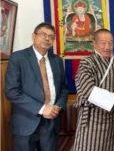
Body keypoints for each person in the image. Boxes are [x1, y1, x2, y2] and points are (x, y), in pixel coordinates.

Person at [5, 22, 69, 151]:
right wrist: (41, 109)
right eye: (43, 34)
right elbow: (11, 91)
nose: (47, 38)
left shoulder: (57, 60)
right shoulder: (18, 58)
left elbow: (63, 88)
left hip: (51, 121)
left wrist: (58, 106)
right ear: (33, 36)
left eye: (51, 36)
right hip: (26, 121)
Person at [72, 29, 114, 151]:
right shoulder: (87, 63)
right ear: (94, 44)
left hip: (113, 121)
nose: (107, 47)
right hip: (92, 120)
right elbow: (87, 90)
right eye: (103, 43)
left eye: (110, 43)